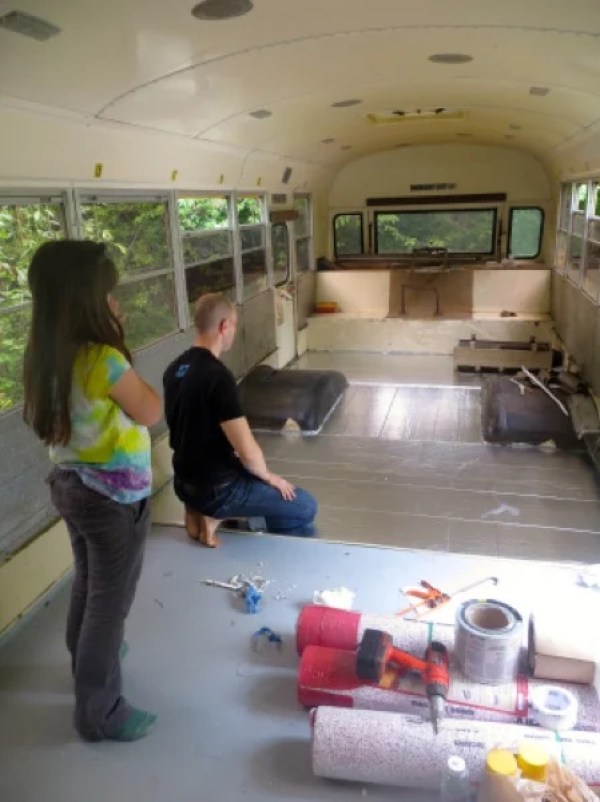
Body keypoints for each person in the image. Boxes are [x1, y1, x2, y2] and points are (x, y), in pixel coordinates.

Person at [23, 240, 162, 742]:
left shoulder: (43, 357)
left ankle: (85, 658)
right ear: (86, 302)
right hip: (113, 500)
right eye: (108, 295)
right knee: (109, 600)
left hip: (70, 487)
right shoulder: (103, 360)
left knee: (88, 582)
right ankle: (100, 712)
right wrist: (118, 344)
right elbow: (151, 410)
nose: (115, 304)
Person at [163, 293, 317, 547]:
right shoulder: (217, 376)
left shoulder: (175, 369)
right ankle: (218, 515)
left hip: (183, 483)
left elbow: (189, 431)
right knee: (304, 507)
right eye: (233, 325)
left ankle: (197, 508)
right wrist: (270, 478)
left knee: (237, 470)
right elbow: (247, 451)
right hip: (218, 490)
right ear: (224, 326)